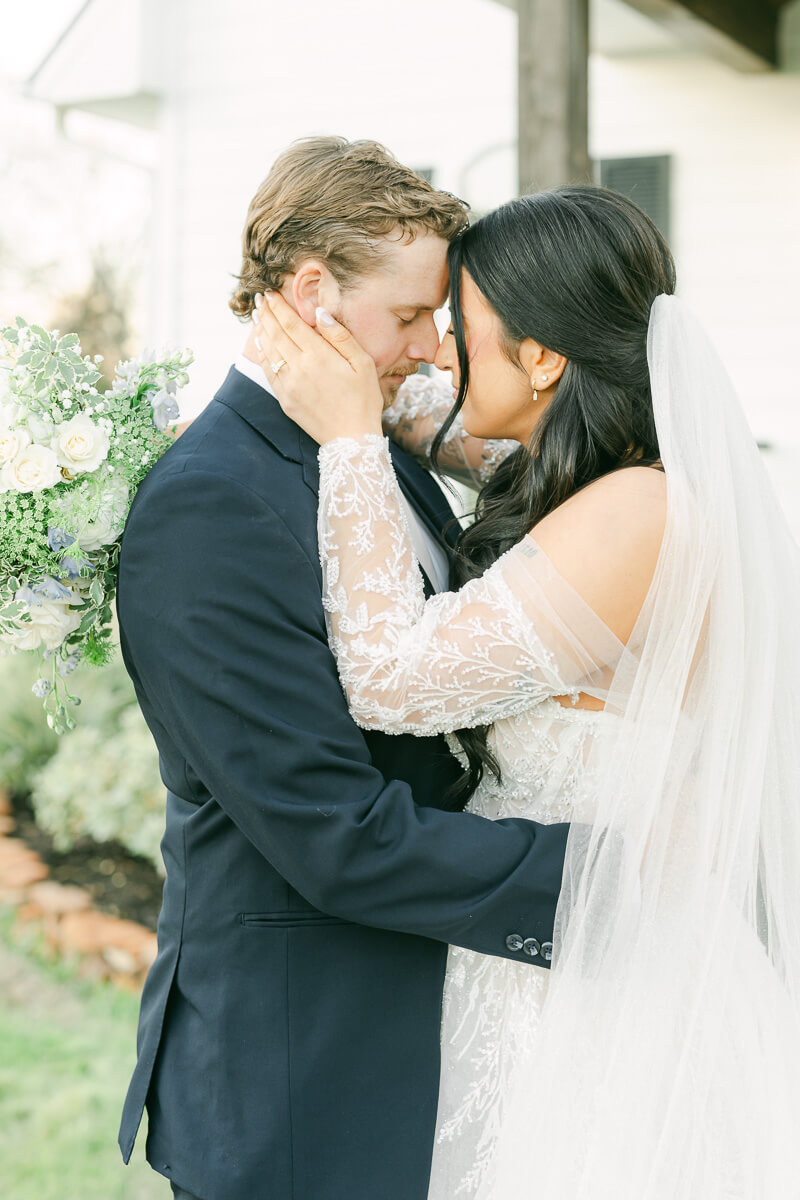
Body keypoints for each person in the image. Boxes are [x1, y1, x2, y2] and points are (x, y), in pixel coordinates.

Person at [254, 183, 800, 1199]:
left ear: (544, 357)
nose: (438, 353)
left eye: (455, 325)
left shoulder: (637, 512)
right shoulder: (604, 470)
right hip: (540, 951)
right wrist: (352, 359)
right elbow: (454, 421)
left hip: (598, 1003)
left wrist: (345, 440)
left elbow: (390, 682)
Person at [116, 138, 589, 1200]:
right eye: (413, 315)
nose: (431, 350)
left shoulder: (361, 454)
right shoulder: (211, 506)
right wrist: (606, 885)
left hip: (426, 1034)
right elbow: (331, 834)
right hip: (298, 1072)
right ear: (313, 292)